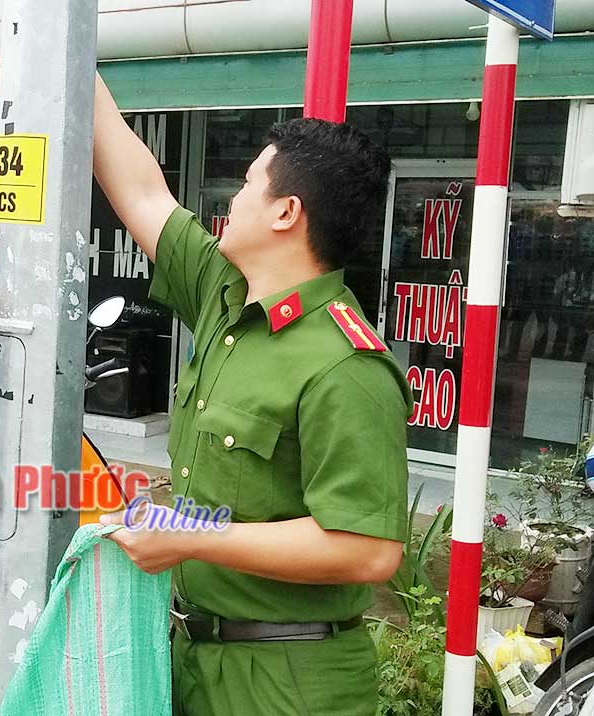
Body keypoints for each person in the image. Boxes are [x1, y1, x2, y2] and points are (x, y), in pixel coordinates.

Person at [90, 71, 413, 716]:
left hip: (289, 683)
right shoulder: (225, 295)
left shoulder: (344, 364)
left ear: (286, 213)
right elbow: (142, 192)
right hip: (196, 661)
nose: (230, 199)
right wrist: (63, 63)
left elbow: (369, 549)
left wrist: (188, 539)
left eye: (246, 184)